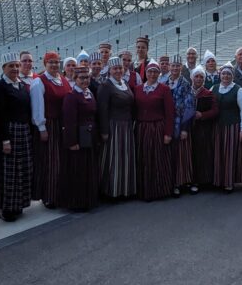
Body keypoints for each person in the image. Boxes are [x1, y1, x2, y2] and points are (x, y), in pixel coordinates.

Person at [0, 52, 34, 222]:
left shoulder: (21, 85)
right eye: (11, 66)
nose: (15, 69)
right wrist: (5, 140)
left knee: (22, 169)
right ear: (3, 68)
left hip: (23, 131)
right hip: (9, 132)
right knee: (9, 172)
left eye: (17, 65)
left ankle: (19, 204)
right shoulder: (0, 87)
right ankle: (5, 208)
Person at [30, 52, 71, 209]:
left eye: (56, 62)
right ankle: (49, 195)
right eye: (51, 62)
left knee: (62, 160)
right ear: (45, 64)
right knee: (50, 161)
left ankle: (60, 193)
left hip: (62, 124)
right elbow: (38, 107)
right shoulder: (39, 82)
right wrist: (42, 128)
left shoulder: (63, 79)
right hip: (49, 124)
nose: (54, 65)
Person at [133, 61, 175, 201]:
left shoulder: (164, 89)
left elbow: (170, 113)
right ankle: (144, 191)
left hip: (158, 128)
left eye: (155, 72)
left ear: (159, 74)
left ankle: (158, 190)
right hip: (142, 128)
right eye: (150, 71)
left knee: (158, 159)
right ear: (145, 73)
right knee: (143, 159)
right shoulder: (138, 89)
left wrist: (168, 133)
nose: (152, 74)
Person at [59, 67, 99, 211]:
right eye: (81, 78)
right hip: (78, 138)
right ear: (75, 79)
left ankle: (88, 199)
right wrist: (72, 142)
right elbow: (69, 121)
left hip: (89, 136)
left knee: (88, 169)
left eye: (87, 77)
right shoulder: (71, 96)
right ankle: (77, 202)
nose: (85, 80)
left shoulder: (90, 94)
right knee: (78, 170)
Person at [97, 57, 137, 198]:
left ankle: (124, 189)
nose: (118, 70)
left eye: (120, 68)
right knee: (113, 159)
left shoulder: (124, 83)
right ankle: (111, 190)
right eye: (115, 68)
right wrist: (104, 131)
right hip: (113, 127)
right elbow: (102, 110)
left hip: (126, 127)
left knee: (125, 158)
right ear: (110, 70)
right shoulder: (105, 86)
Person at [212, 64, 242, 193]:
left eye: (228, 74)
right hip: (217, 126)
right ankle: (218, 180)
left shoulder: (238, 90)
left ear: (232, 76)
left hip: (232, 126)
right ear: (220, 75)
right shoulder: (214, 88)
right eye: (223, 74)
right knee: (217, 154)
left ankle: (228, 182)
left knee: (229, 154)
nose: (226, 76)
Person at [167, 58, 196, 195]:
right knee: (169, 154)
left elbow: (189, 107)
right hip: (168, 123)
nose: (175, 68)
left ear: (181, 68)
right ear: (169, 67)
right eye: (173, 65)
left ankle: (181, 182)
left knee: (181, 155)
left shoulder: (185, 84)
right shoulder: (164, 82)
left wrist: (185, 128)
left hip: (180, 123)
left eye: (177, 66)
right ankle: (170, 182)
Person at [188, 66, 218, 193]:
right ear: (192, 78)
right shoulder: (187, 92)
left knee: (202, 155)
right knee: (190, 154)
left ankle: (203, 180)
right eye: (196, 76)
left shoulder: (208, 93)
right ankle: (191, 180)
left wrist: (202, 115)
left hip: (203, 129)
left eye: (201, 77)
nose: (199, 79)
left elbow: (215, 110)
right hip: (189, 128)